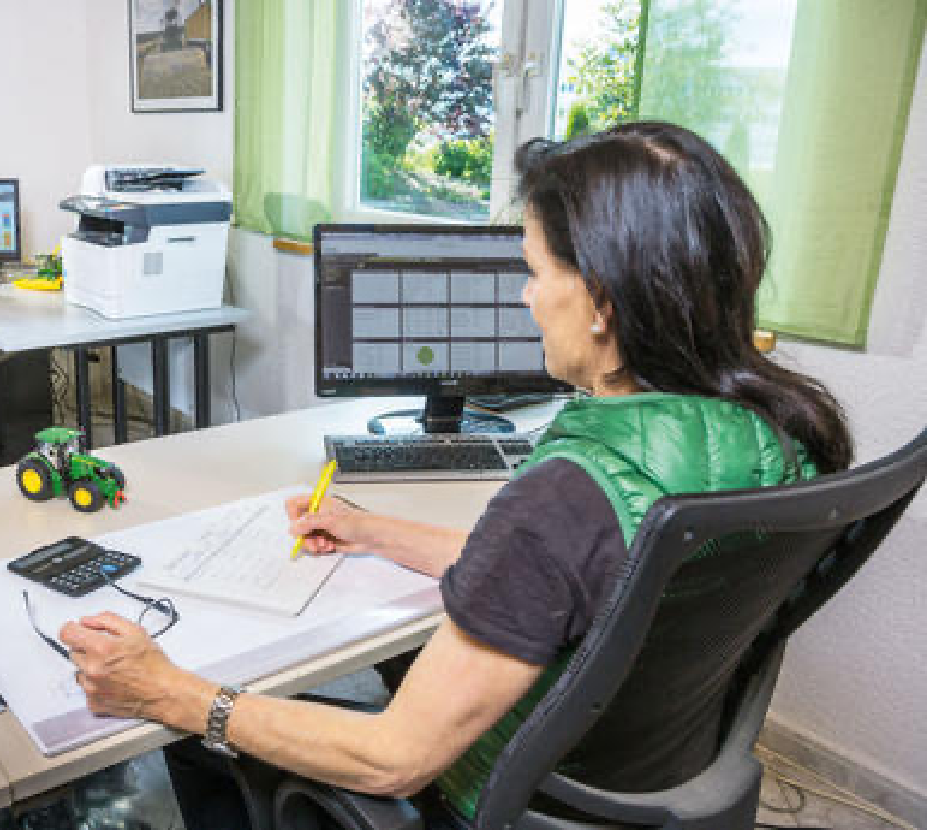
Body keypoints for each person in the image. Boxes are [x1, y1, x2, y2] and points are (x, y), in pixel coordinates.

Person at [58, 122, 853, 828]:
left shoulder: (568, 493)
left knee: (203, 729)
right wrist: (373, 532)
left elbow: (393, 759)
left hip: (505, 791)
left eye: (536, 270)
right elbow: (569, 570)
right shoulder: (784, 431)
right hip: (641, 768)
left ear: (603, 300)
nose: (526, 295)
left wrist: (169, 692)